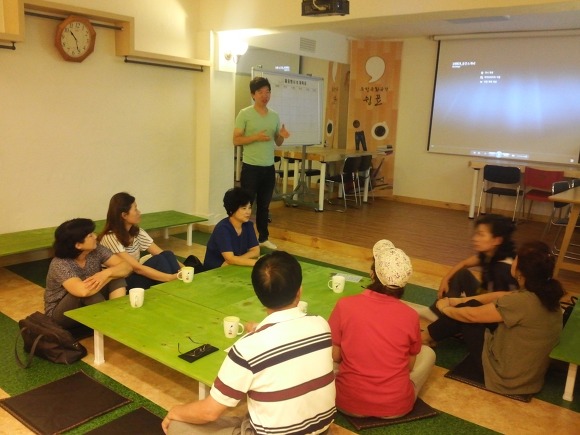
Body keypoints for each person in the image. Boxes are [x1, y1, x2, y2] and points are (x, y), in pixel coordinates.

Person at [162, 251, 336, 434]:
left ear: (259, 296)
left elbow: (210, 412)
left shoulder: (247, 348)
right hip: (323, 431)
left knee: (178, 425)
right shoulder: (321, 325)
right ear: (299, 290)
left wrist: (175, 411)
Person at [425, 241, 563, 395]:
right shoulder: (545, 293)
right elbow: (501, 296)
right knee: (470, 305)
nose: (512, 261)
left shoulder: (521, 302)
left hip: (504, 377)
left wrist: (445, 308)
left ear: (521, 272)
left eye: (516, 259)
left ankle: (424, 338)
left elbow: (472, 315)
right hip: (529, 379)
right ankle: (429, 336)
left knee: (467, 313)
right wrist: (455, 301)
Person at [328, 240, 436, 418]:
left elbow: (336, 356)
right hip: (396, 407)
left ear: (372, 274)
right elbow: (409, 365)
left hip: (346, 402)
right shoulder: (410, 315)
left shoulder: (345, 305)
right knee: (428, 354)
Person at [233, 76, 290, 251]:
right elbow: (236, 140)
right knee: (246, 205)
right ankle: (242, 239)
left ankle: (263, 238)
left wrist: (282, 136)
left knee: (264, 206)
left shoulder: (274, 115)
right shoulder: (244, 114)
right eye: (261, 92)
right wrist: (255, 137)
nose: (265, 95)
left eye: (268, 92)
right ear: (253, 94)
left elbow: (277, 142)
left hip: (268, 167)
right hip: (251, 167)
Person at [426, 214, 519, 321]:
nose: (475, 238)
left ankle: (444, 315)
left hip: (492, 312)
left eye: (481, 235)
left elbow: (499, 304)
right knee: (462, 273)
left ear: (497, 240)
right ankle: (437, 312)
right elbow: (464, 264)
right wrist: (445, 279)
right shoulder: (490, 254)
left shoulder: (503, 268)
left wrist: (462, 304)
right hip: (484, 294)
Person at [44, 218, 131, 329]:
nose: (95, 236)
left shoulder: (96, 249)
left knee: (117, 277)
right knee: (88, 293)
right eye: (90, 235)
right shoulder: (60, 263)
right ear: (78, 245)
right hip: (59, 315)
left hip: (89, 302)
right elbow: (83, 291)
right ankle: (111, 321)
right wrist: (109, 275)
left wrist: (106, 273)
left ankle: (117, 314)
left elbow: (126, 267)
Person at [99, 192, 184, 289]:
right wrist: (170, 278)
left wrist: (185, 269)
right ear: (124, 215)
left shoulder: (136, 232)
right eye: (135, 209)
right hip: (121, 282)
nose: (139, 212)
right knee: (159, 261)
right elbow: (137, 268)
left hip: (135, 275)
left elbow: (160, 252)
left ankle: (178, 285)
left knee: (167, 254)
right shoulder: (110, 237)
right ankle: (174, 288)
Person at [203, 187, 260, 271]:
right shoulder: (222, 229)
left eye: (249, 207)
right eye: (244, 208)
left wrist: (237, 260)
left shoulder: (248, 225)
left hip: (232, 266)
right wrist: (257, 263)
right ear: (231, 210)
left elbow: (256, 251)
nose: (248, 212)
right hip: (214, 270)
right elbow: (230, 258)